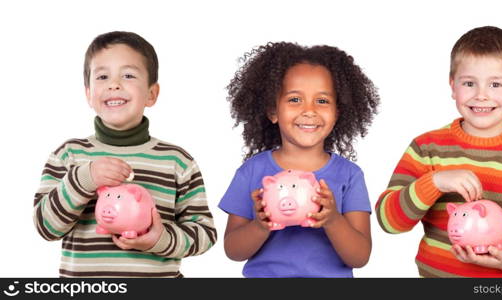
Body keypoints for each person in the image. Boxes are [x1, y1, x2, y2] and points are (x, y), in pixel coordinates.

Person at [375, 26, 502, 277]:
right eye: (469, 83)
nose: (481, 95)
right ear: (452, 86)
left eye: (495, 84)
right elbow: (388, 221)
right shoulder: (427, 148)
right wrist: (434, 182)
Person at [33, 31, 216, 277]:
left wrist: (160, 239)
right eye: (102, 76)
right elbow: (46, 228)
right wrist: (84, 179)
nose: (114, 84)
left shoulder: (177, 161)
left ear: (152, 94)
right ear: (88, 93)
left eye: (128, 75)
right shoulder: (69, 155)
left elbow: (205, 233)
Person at [220, 42, 379, 277]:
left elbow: (360, 256)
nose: (309, 110)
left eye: (322, 101)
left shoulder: (349, 175)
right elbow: (233, 250)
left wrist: (332, 219)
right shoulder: (252, 171)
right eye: (295, 99)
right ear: (273, 111)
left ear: (337, 113)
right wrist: (261, 225)